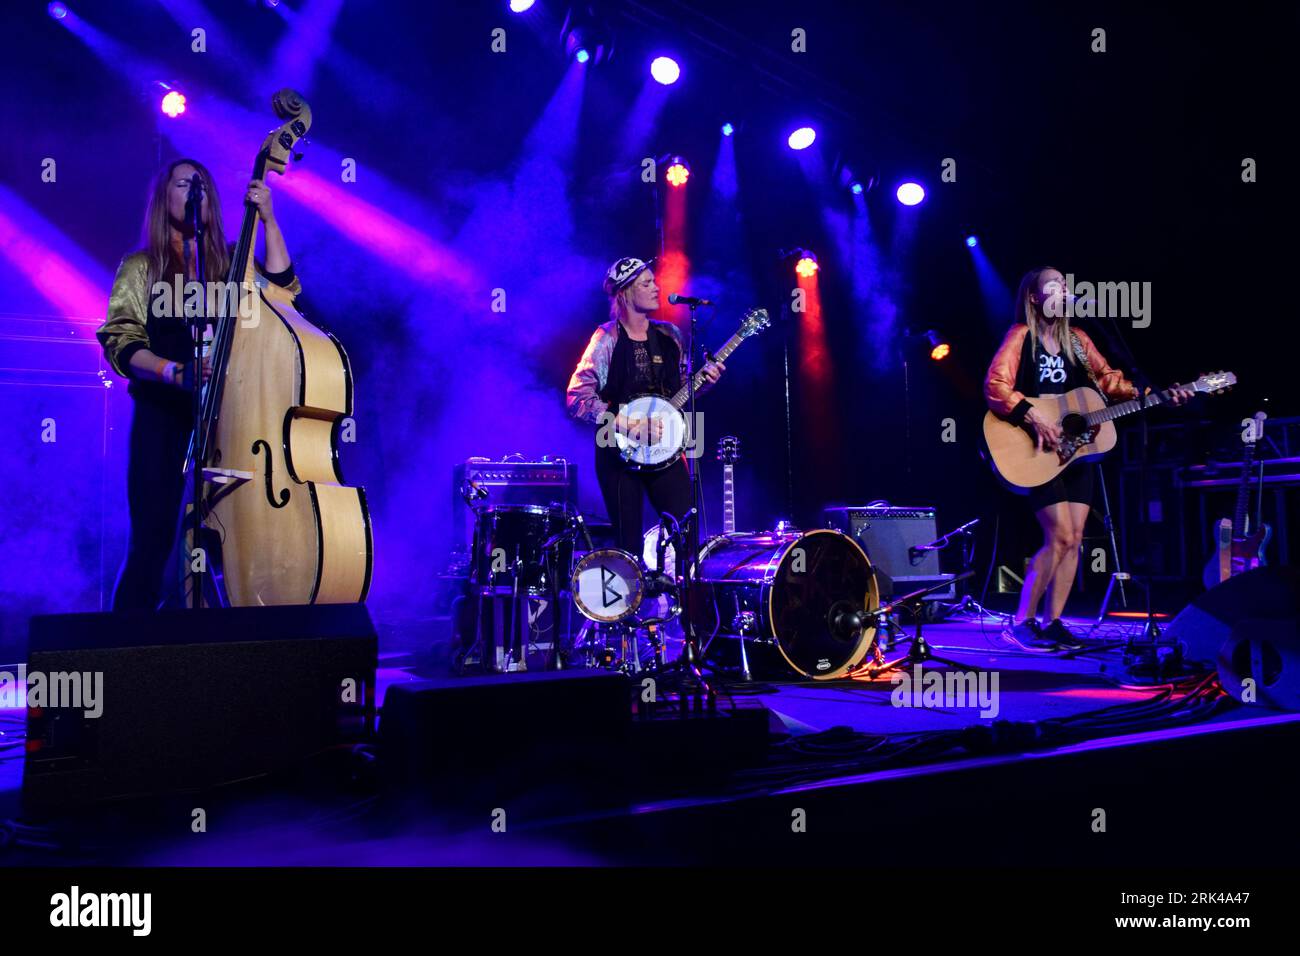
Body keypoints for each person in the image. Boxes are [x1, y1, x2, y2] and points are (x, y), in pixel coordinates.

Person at [95, 158, 299, 610]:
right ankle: (128, 652)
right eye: (184, 183)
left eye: (202, 185)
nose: (194, 192)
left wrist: (267, 217)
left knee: (226, 540)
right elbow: (120, 341)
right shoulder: (142, 266)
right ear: (164, 196)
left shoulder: (230, 262)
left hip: (228, 420)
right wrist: (175, 371)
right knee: (153, 541)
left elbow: (284, 291)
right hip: (162, 415)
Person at [984, 266, 1192, 650]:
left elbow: (1111, 382)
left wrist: (1159, 393)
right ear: (1033, 297)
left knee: (1075, 538)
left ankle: (1055, 621)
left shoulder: (1078, 340)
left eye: (1065, 285)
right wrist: (1031, 416)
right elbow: (996, 385)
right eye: (1053, 285)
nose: (1062, 290)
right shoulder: (1021, 336)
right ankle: (1021, 620)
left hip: (1076, 452)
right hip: (1036, 449)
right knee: (1059, 535)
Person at [565, 257, 724, 555]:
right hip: (617, 449)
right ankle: (634, 599)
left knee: (686, 532)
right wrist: (627, 422)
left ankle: (683, 597)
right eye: (646, 283)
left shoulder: (670, 336)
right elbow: (577, 397)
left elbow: (681, 393)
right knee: (629, 546)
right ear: (625, 293)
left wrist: (706, 382)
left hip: (666, 448)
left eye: (654, 281)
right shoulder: (606, 337)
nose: (656, 287)